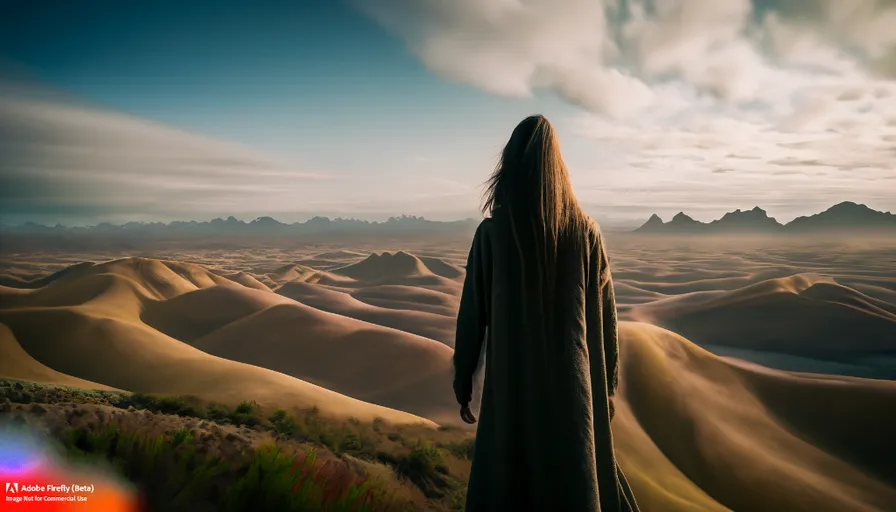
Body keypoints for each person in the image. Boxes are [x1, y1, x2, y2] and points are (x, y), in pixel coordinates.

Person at [453, 115, 639, 512]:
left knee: (508, 486)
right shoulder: (587, 233)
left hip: (513, 389)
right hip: (573, 394)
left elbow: (472, 315)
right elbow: (607, 321)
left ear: (510, 164)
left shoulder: (491, 234)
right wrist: (606, 388)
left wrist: (463, 378)